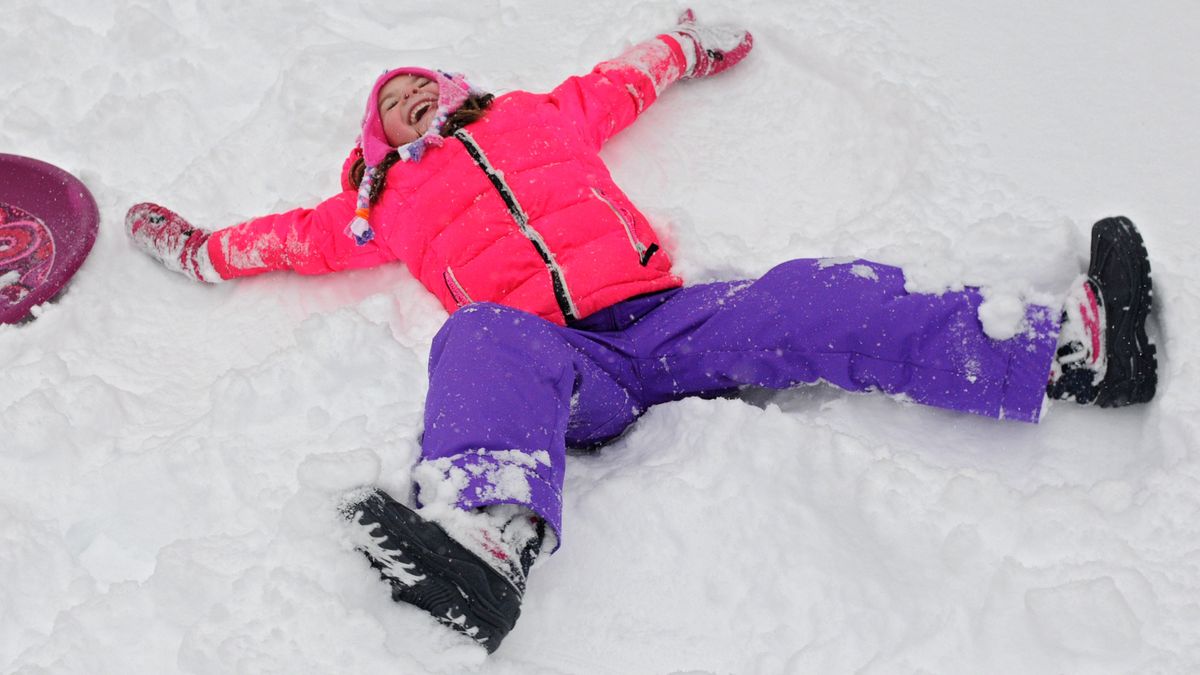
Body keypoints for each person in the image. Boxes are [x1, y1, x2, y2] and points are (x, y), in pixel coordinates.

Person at [124, 10, 1157, 653]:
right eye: (387, 103)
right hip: (565, 363)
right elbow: (283, 241)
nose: (404, 98)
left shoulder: (534, 117)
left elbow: (619, 84)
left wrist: (684, 47)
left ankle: (1067, 352)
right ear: (375, 137)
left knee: (808, 297)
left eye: (415, 83)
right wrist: (198, 250)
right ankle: (488, 537)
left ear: (450, 88)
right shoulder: (381, 208)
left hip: (666, 318)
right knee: (479, 334)